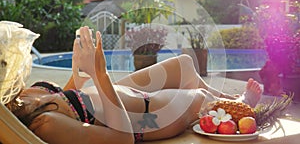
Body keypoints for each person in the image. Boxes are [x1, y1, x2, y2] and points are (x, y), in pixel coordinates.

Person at [6, 27, 263, 144]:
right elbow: (122, 138)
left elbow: (70, 96)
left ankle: (230, 103)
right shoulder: (46, 125)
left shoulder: (24, 96)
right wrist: (99, 74)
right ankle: (240, 106)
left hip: (116, 95)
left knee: (184, 64)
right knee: (200, 96)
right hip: (146, 116)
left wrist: (80, 68)